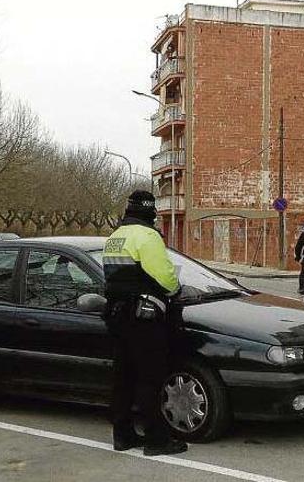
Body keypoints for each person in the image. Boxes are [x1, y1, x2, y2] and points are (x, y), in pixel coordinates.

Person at [103, 190, 187, 456]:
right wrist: (175, 290)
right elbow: (164, 277)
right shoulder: (148, 236)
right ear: (150, 212)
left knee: (123, 377)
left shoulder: (115, 237)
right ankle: (156, 440)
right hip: (144, 317)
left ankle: (123, 435)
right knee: (150, 378)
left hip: (117, 316)